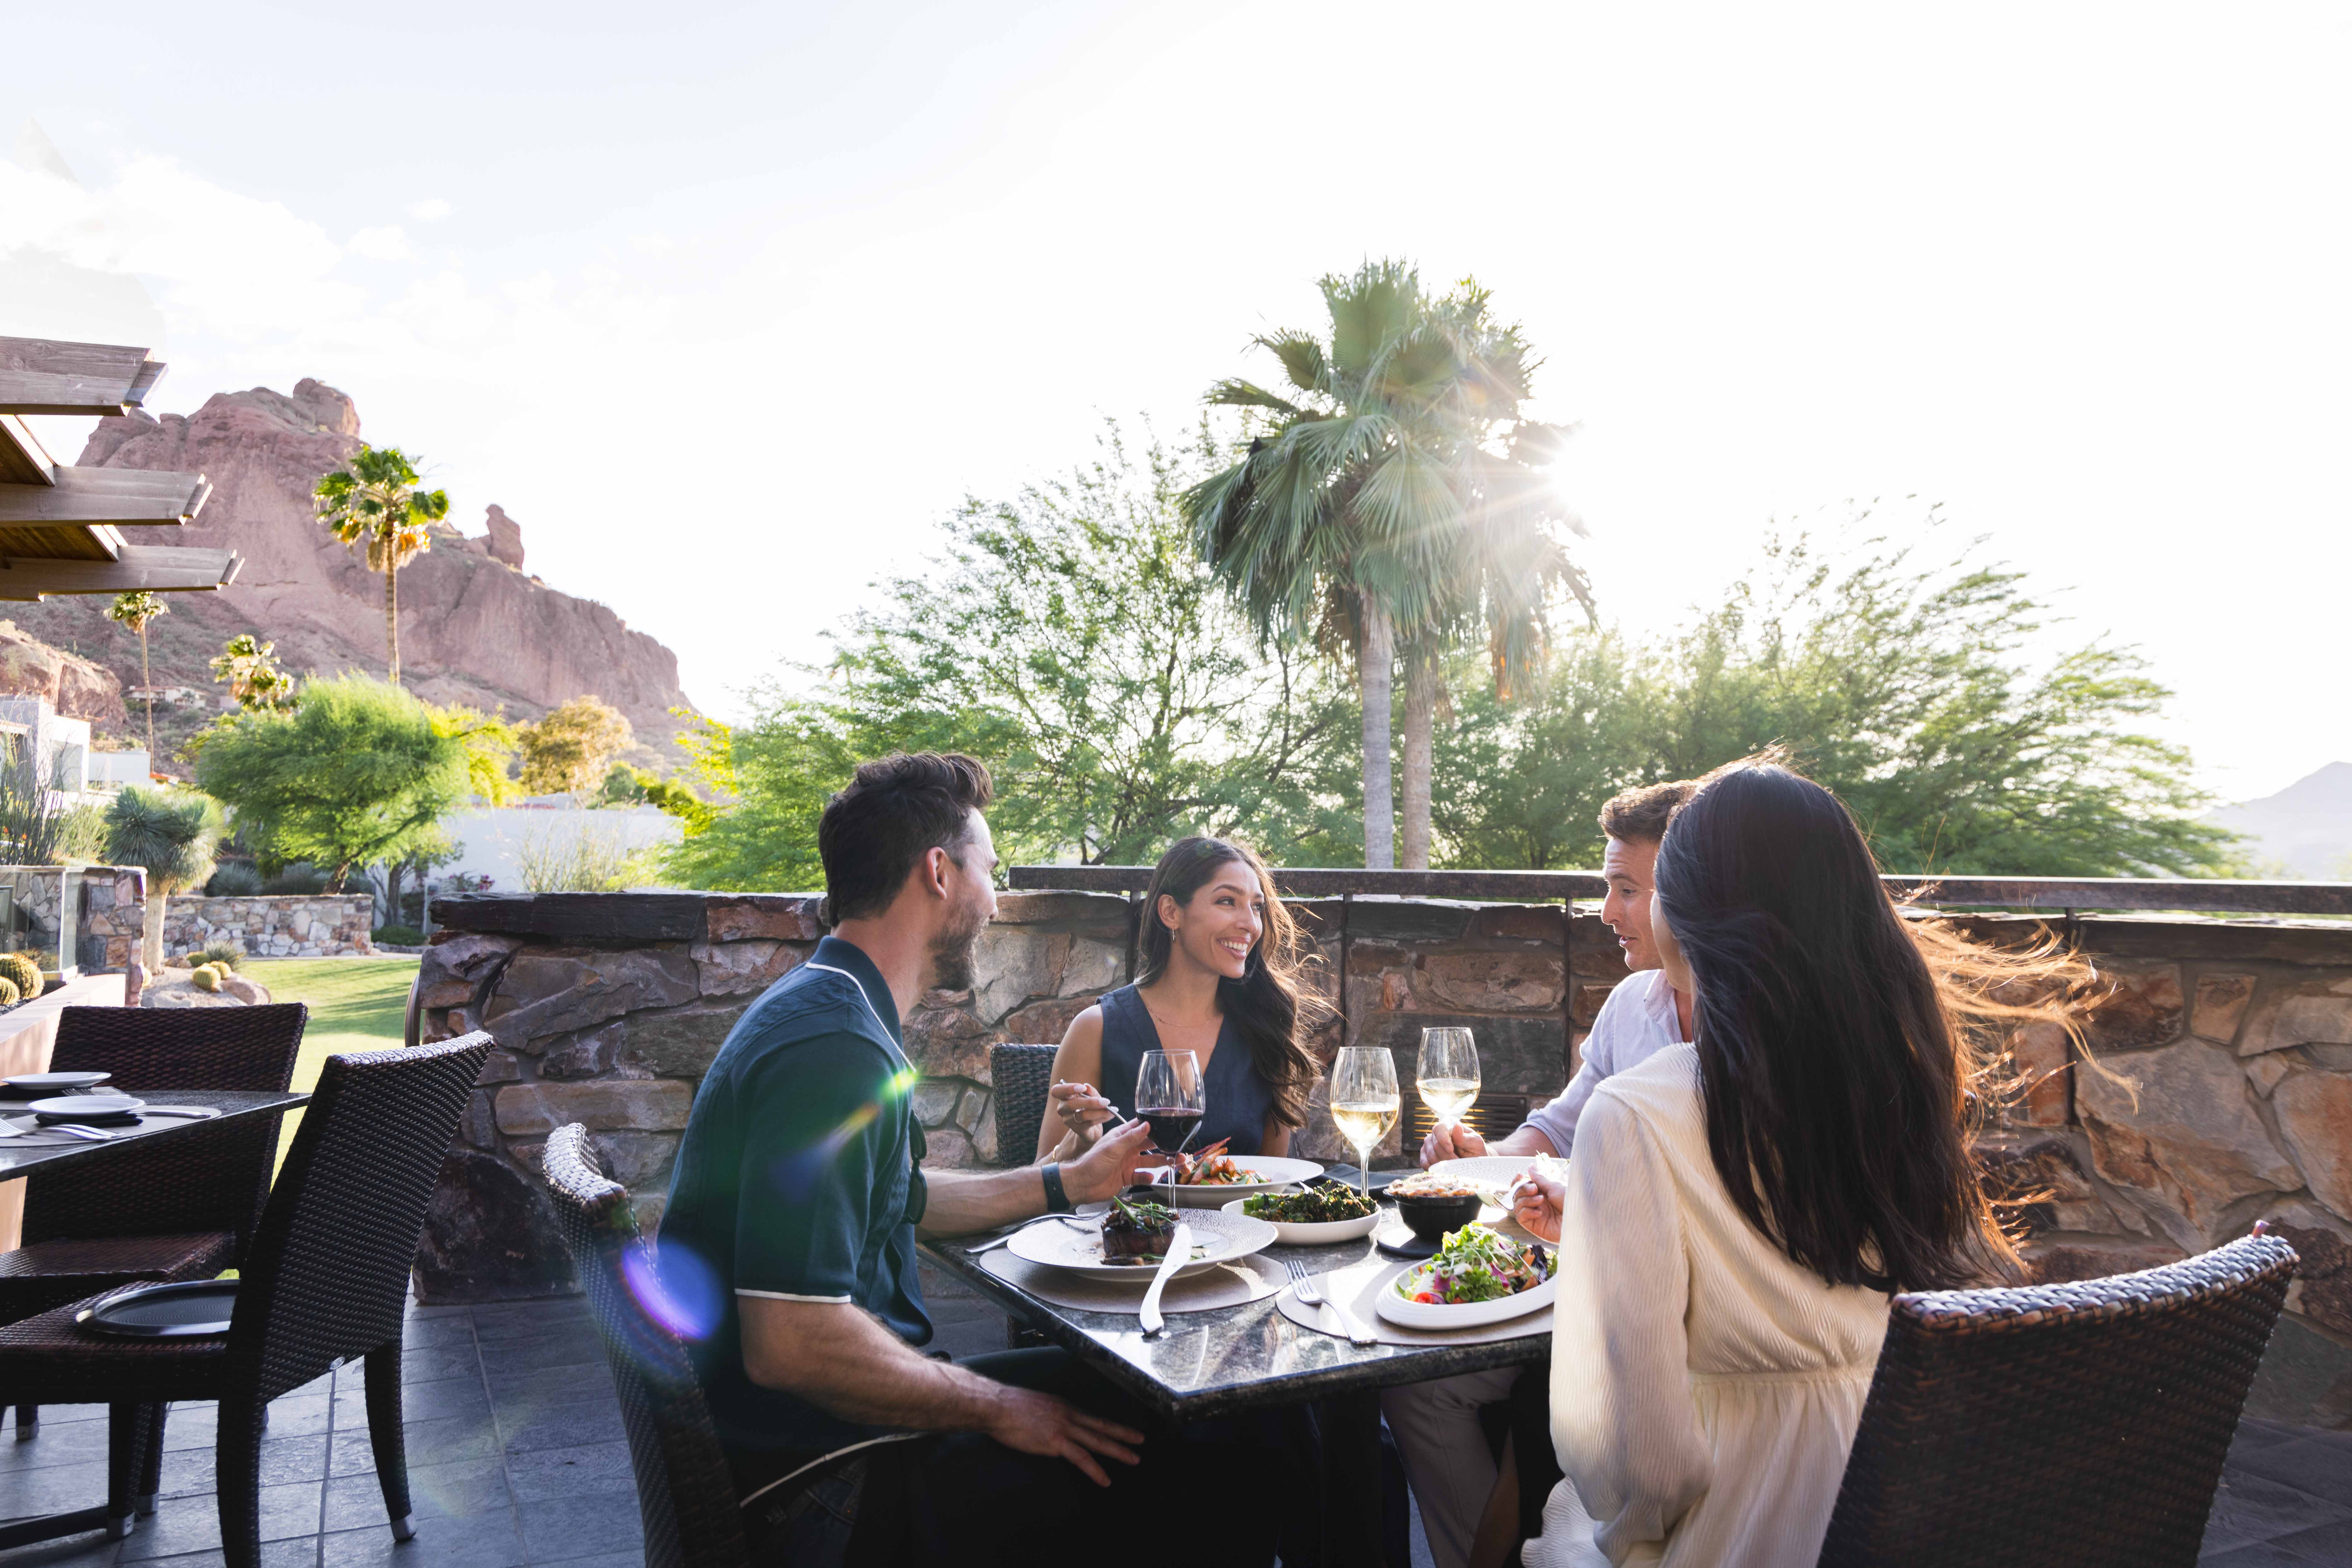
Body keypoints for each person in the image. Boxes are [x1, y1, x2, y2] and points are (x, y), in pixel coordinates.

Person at [657, 754, 1287, 1567]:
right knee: (1218, 1458)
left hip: (843, 1430)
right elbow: (789, 1340)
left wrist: (1065, 1180)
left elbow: (900, 1195)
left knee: (1195, 1403)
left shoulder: (827, 1006)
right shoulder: (832, 1045)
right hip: (824, 1484)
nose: (994, 899)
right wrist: (997, 1407)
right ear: (939, 871)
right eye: (992, 870)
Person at [1510, 756, 2089, 1567]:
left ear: (1690, 912)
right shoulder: (1904, 1073)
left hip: (1747, 1523)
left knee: (1554, 1523)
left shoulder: (1637, 1112)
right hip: (1909, 1494)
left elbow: (1645, 1467)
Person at [1384, 778, 1698, 1568]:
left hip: (1668, 1320)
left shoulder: (1751, 1031)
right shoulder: (1630, 1005)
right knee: (1412, 1385)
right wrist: (1479, 1157)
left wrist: (1578, 1199)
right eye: (1607, 886)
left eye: (1625, 888)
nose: (1605, 910)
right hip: (1575, 1286)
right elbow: (1556, 1127)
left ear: (1690, 890)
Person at [1034, 835, 1324, 1164]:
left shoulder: (1265, 1028)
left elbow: (1273, 1181)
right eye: (1228, 901)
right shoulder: (1096, 1030)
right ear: (1171, 912)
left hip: (1239, 1218)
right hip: (1122, 1218)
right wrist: (1080, 1145)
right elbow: (1040, 1186)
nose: (1250, 924)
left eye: (1256, 906)